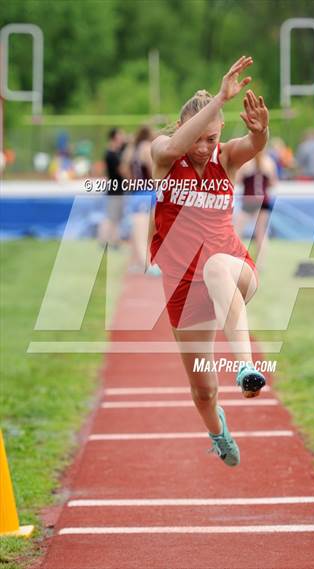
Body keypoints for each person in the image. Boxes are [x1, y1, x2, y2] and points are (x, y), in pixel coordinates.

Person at [150, 56, 269, 467]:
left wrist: (261, 131)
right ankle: (217, 431)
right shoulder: (165, 156)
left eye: (212, 138)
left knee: (216, 264)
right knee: (202, 392)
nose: (205, 148)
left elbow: (252, 145)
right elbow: (177, 145)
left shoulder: (225, 158)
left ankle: (247, 369)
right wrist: (219, 98)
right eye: (201, 139)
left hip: (233, 268)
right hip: (184, 288)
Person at [120, 125, 160, 275]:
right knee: (146, 233)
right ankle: (147, 265)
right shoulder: (146, 147)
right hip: (148, 192)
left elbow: (124, 170)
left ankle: (142, 262)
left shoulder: (131, 149)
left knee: (141, 233)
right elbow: (153, 170)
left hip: (137, 193)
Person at [235, 150, 277, 271]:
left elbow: (238, 180)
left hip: (249, 200)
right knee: (261, 233)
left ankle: (237, 260)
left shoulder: (246, 163)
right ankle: (260, 264)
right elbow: (273, 183)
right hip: (263, 200)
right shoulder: (269, 162)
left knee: (237, 231)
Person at [98, 128, 126, 248]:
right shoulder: (112, 154)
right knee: (111, 217)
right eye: (120, 136)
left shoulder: (113, 153)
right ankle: (104, 239)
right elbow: (122, 171)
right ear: (114, 138)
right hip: (115, 190)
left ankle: (114, 240)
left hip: (116, 189)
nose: (122, 138)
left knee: (114, 217)